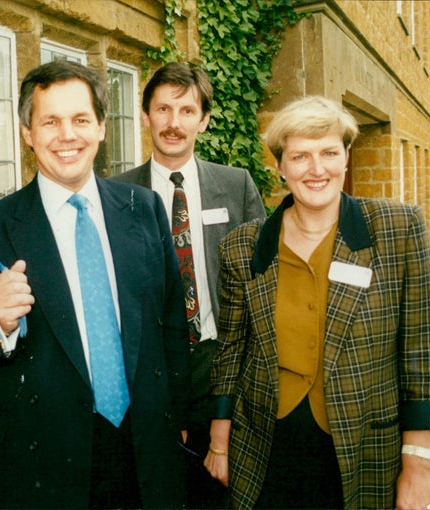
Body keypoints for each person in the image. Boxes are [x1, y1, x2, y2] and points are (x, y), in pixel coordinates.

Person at [0, 60, 190, 509]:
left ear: (101, 128)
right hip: (44, 461)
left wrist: (178, 415)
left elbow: (172, 320)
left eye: (79, 120)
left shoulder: (144, 208)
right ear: (27, 133)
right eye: (49, 121)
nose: (66, 135)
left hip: (144, 447)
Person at [203, 95, 430, 509]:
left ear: (346, 156)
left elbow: (421, 349)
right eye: (300, 156)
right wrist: (220, 441)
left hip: (366, 445)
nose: (316, 169)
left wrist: (420, 462)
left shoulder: (398, 229)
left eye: (328, 152)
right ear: (280, 166)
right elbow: (231, 350)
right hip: (267, 445)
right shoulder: (244, 246)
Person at [112, 62, 265, 508]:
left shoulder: (236, 187)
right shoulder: (116, 196)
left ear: (203, 120)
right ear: (145, 116)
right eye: (162, 109)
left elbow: (260, 281)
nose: (173, 123)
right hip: (153, 374)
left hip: (223, 366)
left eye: (186, 110)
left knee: (227, 494)